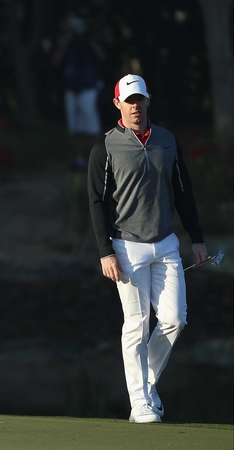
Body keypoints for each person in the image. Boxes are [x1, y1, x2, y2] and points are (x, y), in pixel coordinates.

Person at [87, 74, 207, 423]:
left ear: (148, 101)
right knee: (136, 325)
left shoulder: (167, 140)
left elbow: (183, 191)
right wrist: (105, 251)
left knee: (175, 319)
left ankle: (147, 383)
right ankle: (139, 403)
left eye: (140, 99)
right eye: (129, 101)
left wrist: (197, 237)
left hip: (166, 243)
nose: (135, 106)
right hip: (126, 246)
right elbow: (96, 201)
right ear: (117, 105)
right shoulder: (105, 146)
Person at [52, 16, 105, 169]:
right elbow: (55, 62)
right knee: (77, 128)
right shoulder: (66, 45)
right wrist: (65, 42)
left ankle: (99, 160)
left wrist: (89, 40)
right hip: (71, 90)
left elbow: (102, 56)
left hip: (88, 89)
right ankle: (80, 159)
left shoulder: (89, 44)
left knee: (92, 126)